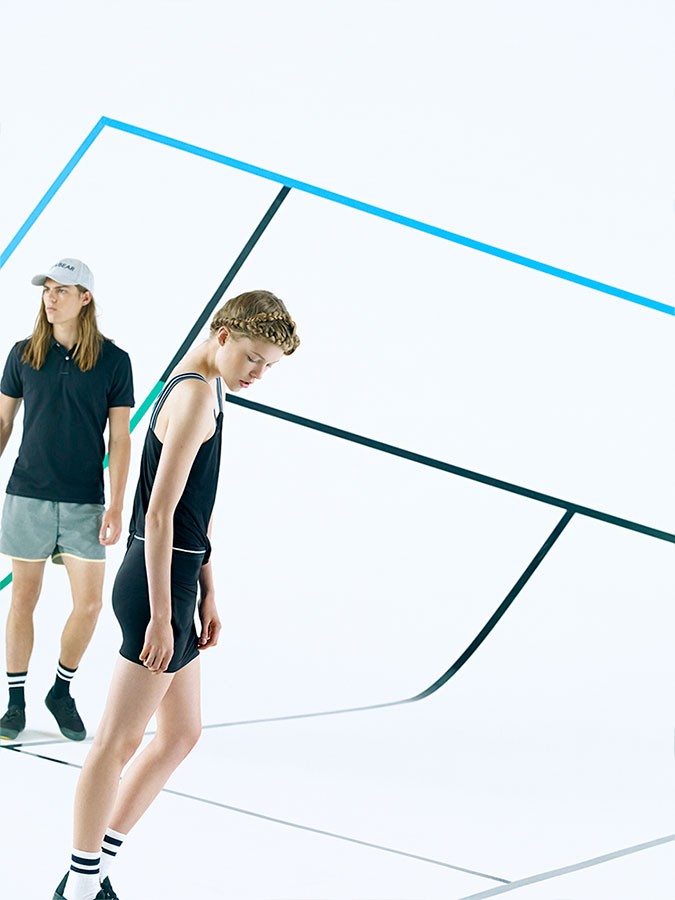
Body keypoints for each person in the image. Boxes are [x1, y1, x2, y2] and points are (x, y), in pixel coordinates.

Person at [52, 290, 300, 900]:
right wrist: (164, 616)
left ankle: (92, 871)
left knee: (182, 734)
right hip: (154, 584)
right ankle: (79, 887)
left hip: (179, 578)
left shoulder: (209, 387)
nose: (258, 373)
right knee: (117, 742)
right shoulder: (192, 396)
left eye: (268, 366)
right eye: (252, 357)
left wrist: (207, 590)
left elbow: (197, 509)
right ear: (223, 334)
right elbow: (160, 515)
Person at [0, 258, 134, 743]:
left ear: (85, 298)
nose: (51, 298)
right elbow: (3, 421)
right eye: (47, 289)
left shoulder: (114, 361)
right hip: (28, 494)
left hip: (84, 502)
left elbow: (120, 437)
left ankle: (61, 690)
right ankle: (15, 702)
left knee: (90, 604)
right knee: (23, 599)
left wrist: (116, 504)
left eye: (62, 290)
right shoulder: (22, 354)